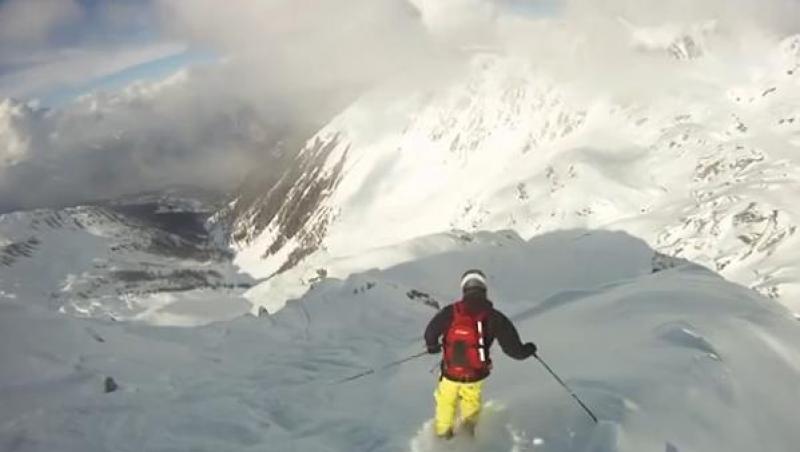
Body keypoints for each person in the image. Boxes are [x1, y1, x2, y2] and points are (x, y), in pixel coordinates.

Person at [424, 269, 538, 439]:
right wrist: (529, 350)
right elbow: (513, 350)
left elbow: (430, 332)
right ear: (484, 289)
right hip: (475, 375)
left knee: (445, 402)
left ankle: (442, 437)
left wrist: (433, 347)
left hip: (449, 372)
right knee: (471, 403)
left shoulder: (451, 312)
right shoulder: (494, 317)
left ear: (464, 289)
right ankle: (467, 438)